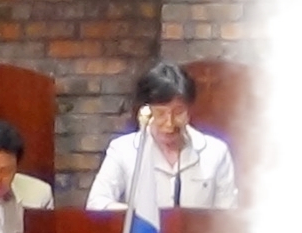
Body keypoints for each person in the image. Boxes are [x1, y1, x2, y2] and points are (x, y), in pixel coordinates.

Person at [86, 61, 238, 210]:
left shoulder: (216, 152)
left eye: (178, 112)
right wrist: (138, 217)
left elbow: (228, 215)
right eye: (160, 113)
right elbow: (96, 203)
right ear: (145, 111)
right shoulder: (123, 150)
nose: (169, 123)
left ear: (189, 110)